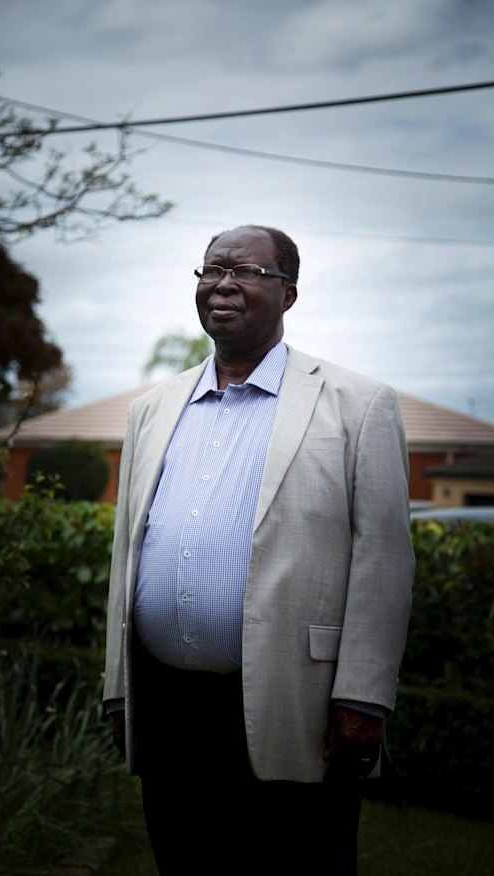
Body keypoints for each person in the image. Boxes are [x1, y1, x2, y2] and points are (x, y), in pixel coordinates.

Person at [103, 225, 415, 875]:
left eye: (245, 270)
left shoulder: (358, 406)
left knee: (296, 859)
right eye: (211, 270)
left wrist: (362, 698)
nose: (223, 284)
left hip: (295, 699)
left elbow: (384, 558)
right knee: (184, 858)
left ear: (288, 293)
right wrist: (118, 691)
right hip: (166, 704)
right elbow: (125, 558)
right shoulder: (152, 410)